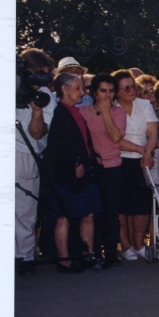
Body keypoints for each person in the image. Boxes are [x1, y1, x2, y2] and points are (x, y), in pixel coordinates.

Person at [44, 70, 101, 273]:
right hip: (68, 174)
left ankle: (88, 255)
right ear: (64, 89)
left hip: (84, 171)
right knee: (64, 215)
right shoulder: (61, 114)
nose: (82, 92)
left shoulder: (74, 111)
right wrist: (74, 165)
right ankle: (64, 260)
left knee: (88, 213)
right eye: (77, 88)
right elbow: (57, 147)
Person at [15, 49, 57, 275]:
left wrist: (37, 111)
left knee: (25, 210)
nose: (41, 79)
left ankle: (24, 257)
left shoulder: (44, 97)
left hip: (25, 153)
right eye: (37, 74)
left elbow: (38, 133)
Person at [79, 73, 126, 267]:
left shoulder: (118, 112)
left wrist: (106, 112)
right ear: (95, 92)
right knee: (92, 213)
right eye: (103, 91)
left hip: (112, 167)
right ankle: (93, 252)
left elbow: (116, 137)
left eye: (111, 91)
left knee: (110, 213)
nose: (107, 95)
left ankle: (111, 255)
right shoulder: (82, 112)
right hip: (92, 168)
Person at [114, 70, 158, 261]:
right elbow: (114, 138)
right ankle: (125, 246)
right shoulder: (111, 107)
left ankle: (139, 244)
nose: (131, 90)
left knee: (141, 203)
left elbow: (153, 132)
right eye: (126, 87)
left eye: (133, 86)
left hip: (143, 158)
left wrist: (147, 152)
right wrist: (142, 150)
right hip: (118, 158)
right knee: (121, 206)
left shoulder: (144, 104)